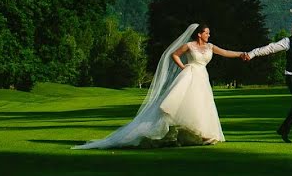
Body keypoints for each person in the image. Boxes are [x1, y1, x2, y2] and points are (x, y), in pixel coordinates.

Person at [74, 23, 245, 149]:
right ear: (199, 34)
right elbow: (174, 55)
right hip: (190, 74)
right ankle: (169, 134)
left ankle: (204, 135)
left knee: (201, 104)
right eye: (207, 33)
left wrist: (242, 54)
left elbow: (226, 52)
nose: (209, 35)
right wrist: (184, 67)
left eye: (209, 33)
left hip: (202, 77)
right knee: (178, 104)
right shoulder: (189, 46)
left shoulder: (210, 46)